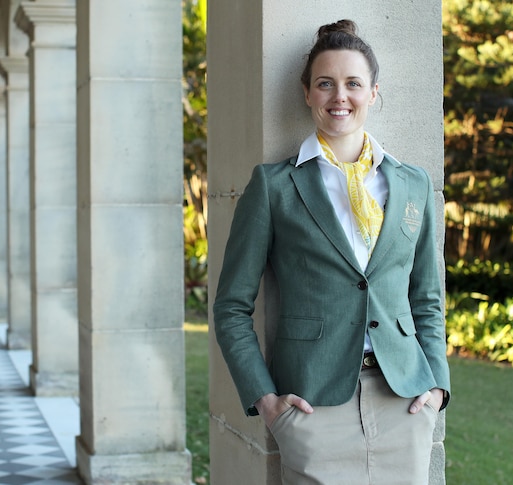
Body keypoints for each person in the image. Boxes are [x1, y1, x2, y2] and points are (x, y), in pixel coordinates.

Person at [213, 19, 451, 484]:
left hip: (404, 399)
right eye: (325, 84)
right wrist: (267, 401)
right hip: (313, 405)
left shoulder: (412, 184)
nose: (339, 96)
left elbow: (427, 297)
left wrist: (437, 383)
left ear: (373, 92)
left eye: (353, 84)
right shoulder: (275, 186)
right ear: (307, 94)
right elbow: (231, 306)